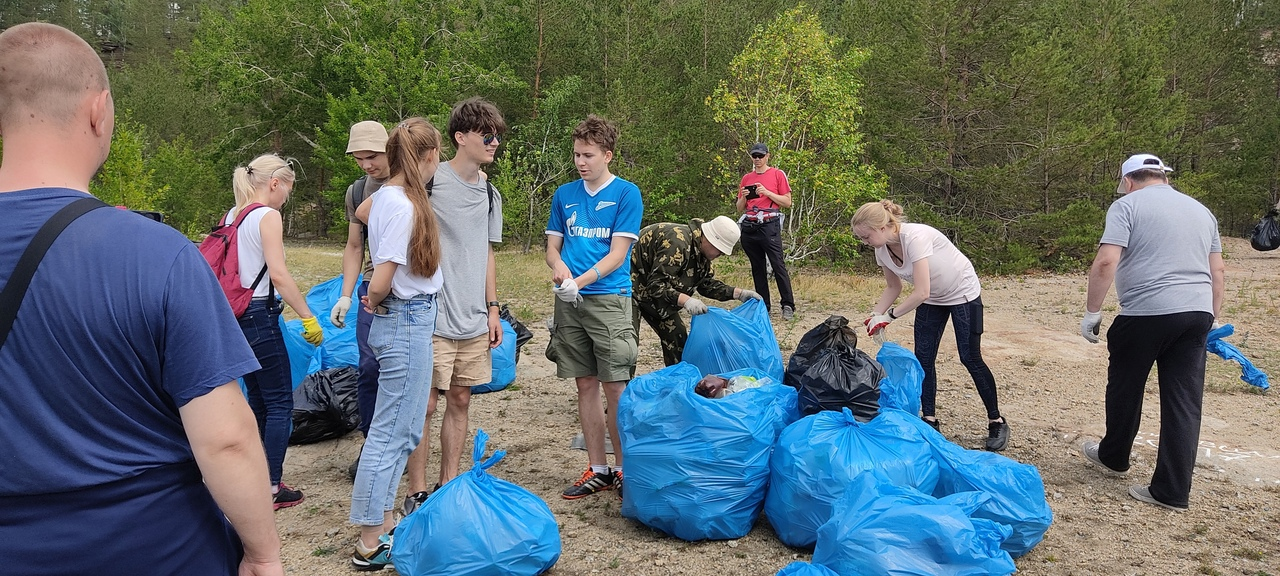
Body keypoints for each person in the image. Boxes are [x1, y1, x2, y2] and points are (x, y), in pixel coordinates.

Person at [0, 22, 283, 575]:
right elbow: (225, 440)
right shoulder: (158, 255)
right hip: (154, 547)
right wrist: (263, 552)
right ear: (98, 111)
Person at [1078, 153, 1224, 512]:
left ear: (1128, 181)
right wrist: (1213, 318)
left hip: (1147, 312)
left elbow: (1107, 261)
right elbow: (1217, 271)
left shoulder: (1127, 207)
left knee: (1126, 385)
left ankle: (1114, 456)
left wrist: (1092, 311)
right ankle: (1172, 492)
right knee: (1184, 403)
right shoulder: (1201, 211)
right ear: (1163, 177)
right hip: (1196, 313)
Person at [348, 117, 445, 570]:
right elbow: (384, 273)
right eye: (436, 156)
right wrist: (371, 297)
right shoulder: (402, 205)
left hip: (411, 320)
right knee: (389, 434)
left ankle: (385, 522)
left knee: (404, 429)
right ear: (426, 157)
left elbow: (367, 220)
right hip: (405, 320)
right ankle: (370, 539)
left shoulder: (388, 197)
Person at [402, 97, 506, 515]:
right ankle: (418, 491)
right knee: (424, 404)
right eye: (487, 135)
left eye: (497, 135)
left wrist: (493, 307)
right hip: (431, 316)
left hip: (473, 318)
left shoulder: (490, 193)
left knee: (460, 399)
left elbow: (486, 252)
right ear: (460, 138)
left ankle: (448, 484)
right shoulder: (430, 181)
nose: (494, 142)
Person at [851, 199, 1010, 452]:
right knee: (923, 359)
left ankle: (996, 421)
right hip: (934, 298)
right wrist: (875, 314)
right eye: (861, 238)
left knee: (970, 357)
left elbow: (921, 291)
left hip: (962, 293)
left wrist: (889, 316)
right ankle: (929, 419)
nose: (864, 242)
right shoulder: (881, 250)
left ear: (882, 227)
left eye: (866, 236)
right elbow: (895, 287)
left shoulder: (915, 237)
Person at [545, 114, 643, 499]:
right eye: (576, 155)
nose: (580, 162)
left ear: (607, 155)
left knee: (614, 385)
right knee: (584, 383)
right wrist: (559, 268)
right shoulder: (564, 195)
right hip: (569, 302)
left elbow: (618, 254)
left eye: (587, 155)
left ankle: (623, 469)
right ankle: (597, 467)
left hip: (608, 299)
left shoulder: (625, 194)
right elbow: (553, 246)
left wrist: (578, 282)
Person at [223, 153, 325, 509]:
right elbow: (278, 275)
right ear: (275, 183)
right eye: (288, 189)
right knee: (280, 400)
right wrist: (308, 317)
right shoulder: (267, 216)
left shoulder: (232, 215)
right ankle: (269, 486)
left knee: (258, 399)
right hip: (260, 316)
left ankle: (255, 477)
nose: (286, 197)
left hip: (234, 316)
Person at [330, 120, 391, 480]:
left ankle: (404, 446)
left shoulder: (419, 182)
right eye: (359, 159)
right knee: (369, 368)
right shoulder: (357, 192)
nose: (367, 165)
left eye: (373, 156)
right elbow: (355, 245)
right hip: (372, 287)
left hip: (412, 289)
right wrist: (345, 295)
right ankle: (372, 445)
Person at [631, 216, 762, 366]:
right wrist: (686, 301)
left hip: (657, 295)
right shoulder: (677, 242)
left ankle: (679, 382)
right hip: (630, 286)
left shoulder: (703, 254)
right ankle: (623, 388)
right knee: (626, 345)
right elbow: (656, 285)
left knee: (677, 337)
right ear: (710, 239)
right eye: (719, 250)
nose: (720, 255)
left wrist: (739, 293)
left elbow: (705, 284)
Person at [736, 142, 796, 320]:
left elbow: (787, 202)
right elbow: (739, 207)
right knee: (757, 267)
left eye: (760, 156)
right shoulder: (747, 178)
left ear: (767, 156)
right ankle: (764, 306)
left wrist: (767, 192)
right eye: (754, 156)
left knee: (778, 265)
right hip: (750, 224)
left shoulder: (777, 174)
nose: (757, 159)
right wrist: (745, 196)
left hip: (769, 224)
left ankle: (788, 305)